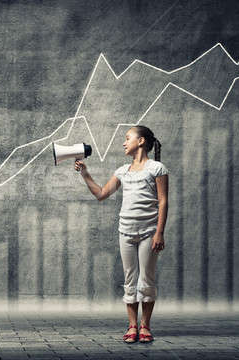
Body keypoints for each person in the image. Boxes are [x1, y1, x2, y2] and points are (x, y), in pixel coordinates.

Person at [74, 125, 169, 344]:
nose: (124, 143)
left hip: (148, 232)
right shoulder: (122, 171)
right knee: (130, 279)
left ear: (142, 141)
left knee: (147, 280)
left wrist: (159, 233)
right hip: (125, 231)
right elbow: (101, 193)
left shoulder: (157, 168)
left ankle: (145, 326)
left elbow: (163, 201)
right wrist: (85, 173)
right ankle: (132, 325)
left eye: (128, 138)